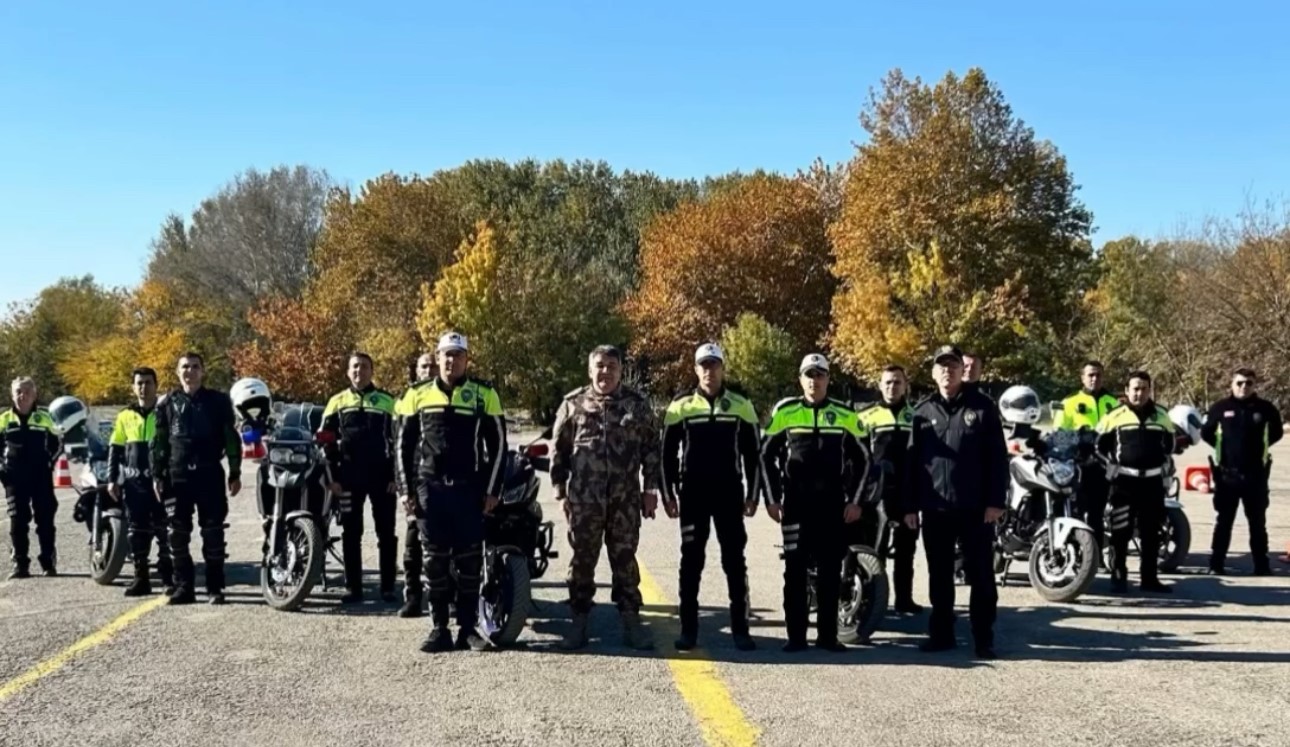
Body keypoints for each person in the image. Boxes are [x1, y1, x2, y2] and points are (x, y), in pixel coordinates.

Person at [398, 333, 506, 652]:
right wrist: (406, 490)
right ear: (438, 357)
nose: (451, 361)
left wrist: (492, 490)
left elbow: (498, 446)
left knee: (470, 563)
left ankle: (468, 629)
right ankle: (438, 628)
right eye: (446, 355)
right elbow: (402, 447)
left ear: (466, 360)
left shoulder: (484, 394)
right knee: (434, 564)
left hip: (468, 492)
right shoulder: (416, 394)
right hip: (429, 491)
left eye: (458, 355)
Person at [551, 345, 663, 651]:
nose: (605, 372)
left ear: (620, 370)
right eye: (600, 366)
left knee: (625, 562)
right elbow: (558, 451)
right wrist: (560, 493)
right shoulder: (573, 403)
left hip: (624, 502)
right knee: (582, 562)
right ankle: (578, 624)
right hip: (584, 502)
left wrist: (650, 490)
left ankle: (631, 623)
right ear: (590, 370)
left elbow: (652, 449)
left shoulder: (636, 405)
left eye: (612, 366)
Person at [761, 353, 870, 653]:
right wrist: (771, 499)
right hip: (796, 506)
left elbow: (865, 459)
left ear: (828, 379)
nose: (814, 380)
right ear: (800, 379)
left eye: (820, 374)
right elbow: (764, 456)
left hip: (832, 507)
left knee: (830, 574)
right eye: (809, 375)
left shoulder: (845, 414)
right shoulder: (786, 411)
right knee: (794, 573)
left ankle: (827, 637)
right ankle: (795, 637)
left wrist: (856, 501)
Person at [907, 345, 1007, 659]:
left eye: (953, 366)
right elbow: (913, 463)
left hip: (976, 509)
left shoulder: (983, 407)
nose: (947, 372)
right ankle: (942, 634)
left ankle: (983, 638)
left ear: (961, 370)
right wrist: (910, 506)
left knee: (981, 576)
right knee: (939, 574)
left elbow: (998, 459)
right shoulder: (922, 412)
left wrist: (995, 501)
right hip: (935, 509)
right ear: (934, 373)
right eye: (942, 367)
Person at [661, 343, 760, 652]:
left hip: (729, 495)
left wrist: (754, 495)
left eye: (714, 364)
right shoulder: (680, 406)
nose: (709, 370)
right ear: (695, 370)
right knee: (691, 562)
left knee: (734, 561)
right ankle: (688, 630)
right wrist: (668, 494)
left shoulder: (741, 405)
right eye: (703, 365)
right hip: (693, 495)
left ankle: (741, 630)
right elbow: (665, 455)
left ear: (722, 368)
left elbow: (753, 455)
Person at [152, 353, 242, 605]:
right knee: (177, 535)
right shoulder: (167, 403)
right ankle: (184, 587)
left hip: (209, 474)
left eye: (194, 367)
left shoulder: (219, 401)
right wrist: (158, 475)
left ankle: (215, 587)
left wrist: (235, 472)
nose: (189, 372)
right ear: (177, 372)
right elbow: (158, 442)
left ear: (203, 372)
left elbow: (230, 438)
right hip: (176, 476)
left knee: (213, 533)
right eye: (185, 367)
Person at [320, 353, 400, 604]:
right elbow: (325, 441)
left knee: (386, 533)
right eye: (355, 367)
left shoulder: (388, 401)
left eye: (364, 366)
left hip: (382, 478)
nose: (359, 371)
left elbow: (400, 443)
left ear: (372, 371)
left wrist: (396, 476)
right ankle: (353, 587)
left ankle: (388, 587)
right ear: (348, 371)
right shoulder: (337, 401)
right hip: (348, 479)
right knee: (351, 533)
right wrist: (332, 477)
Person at [1096, 370, 1177, 594]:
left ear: (1150, 390)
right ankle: (1119, 578)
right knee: (1120, 532)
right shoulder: (1114, 415)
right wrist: (1109, 465)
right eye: (1135, 389)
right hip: (1124, 483)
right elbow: (1098, 446)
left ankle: (1149, 579)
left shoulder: (1162, 415)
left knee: (1151, 534)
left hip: (1152, 483)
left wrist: (1165, 466)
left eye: (1143, 389)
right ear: (1126, 391)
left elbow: (1169, 446)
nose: (1139, 393)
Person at [1201, 368, 1284, 576]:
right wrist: (1226, 450)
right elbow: (1206, 433)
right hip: (1227, 475)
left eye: (1248, 383)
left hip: (1255, 475)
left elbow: (1277, 433)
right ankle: (1216, 564)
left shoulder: (1265, 409)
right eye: (1239, 383)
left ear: (1254, 385)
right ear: (1232, 384)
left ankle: (1262, 565)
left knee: (1257, 523)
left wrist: (1258, 451)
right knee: (1224, 522)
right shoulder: (1220, 408)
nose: (1243, 387)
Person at [856, 364, 922, 614]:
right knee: (876, 550)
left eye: (897, 382)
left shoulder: (917, 417)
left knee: (906, 551)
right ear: (880, 385)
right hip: (875, 496)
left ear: (905, 385)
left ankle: (904, 599)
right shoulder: (865, 417)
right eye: (887, 382)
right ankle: (874, 602)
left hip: (907, 494)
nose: (892, 387)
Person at [108, 367, 174, 596]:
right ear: (133, 387)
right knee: (136, 532)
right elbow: (115, 449)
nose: (144, 387)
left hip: (161, 483)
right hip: (134, 484)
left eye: (148, 382)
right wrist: (112, 479)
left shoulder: (166, 412)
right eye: (139, 383)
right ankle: (141, 578)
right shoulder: (125, 415)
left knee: (165, 531)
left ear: (156, 386)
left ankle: (168, 579)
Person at [1053, 360, 1121, 562]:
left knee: (1097, 514)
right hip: (1078, 467)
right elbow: (1059, 436)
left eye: (1098, 374)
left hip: (1103, 467)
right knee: (1075, 513)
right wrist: (1079, 440)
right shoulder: (1069, 402)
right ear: (1082, 377)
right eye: (1090, 375)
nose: (1094, 378)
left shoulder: (1113, 403)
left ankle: (1096, 558)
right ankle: (1075, 557)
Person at [2, 377, 62, 579]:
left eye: (27, 391)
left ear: (35, 394)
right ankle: (20, 564)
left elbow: (58, 444)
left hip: (40, 477)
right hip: (14, 479)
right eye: (18, 391)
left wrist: (49, 463)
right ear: (12, 394)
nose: (23, 395)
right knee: (18, 520)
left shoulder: (46, 417)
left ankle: (48, 562)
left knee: (45, 520)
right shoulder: (4, 419)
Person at [395, 352, 437, 618]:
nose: (430, 370)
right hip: (415, 482)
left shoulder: (451, 395)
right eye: (425, 366)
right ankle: (413, 597)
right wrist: (402, 487)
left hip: (442, 483)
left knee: (447, 547)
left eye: (433, 365)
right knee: (413, 546)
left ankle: (448, 597)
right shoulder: (406, 399)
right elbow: (398, 446)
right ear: (416, 370)